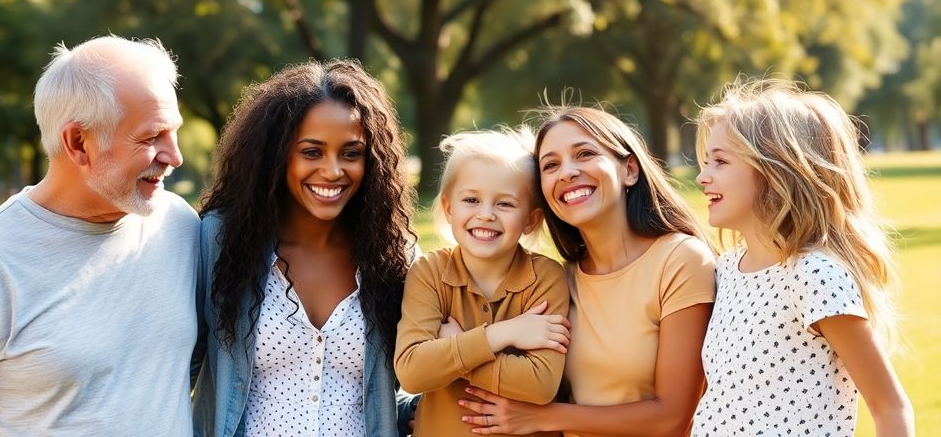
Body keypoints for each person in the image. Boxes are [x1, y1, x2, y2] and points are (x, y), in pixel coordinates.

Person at [0, 35, 199, 436]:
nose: (175, 155)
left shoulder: (179, 226)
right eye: (152, 137)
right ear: (78, 142)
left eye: (174, 132)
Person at [191, 59, 417, 436]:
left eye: (351, 153)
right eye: (311, 152)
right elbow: (176, 374)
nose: (332, 171)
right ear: (275, 157)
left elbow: (383, 395)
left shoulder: (392, 257)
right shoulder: (219, 243)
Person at [460, 105, 715, 436]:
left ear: (630, 171)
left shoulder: (680, 260)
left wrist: (542, 417)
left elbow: (672, 417)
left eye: (584, 154)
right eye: (551, 165)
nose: (567, 172)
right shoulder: (557, 280)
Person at [690, 79, 914, 436]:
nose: (702, 176)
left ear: (776, 170)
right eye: (705, 161)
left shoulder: (814, 276)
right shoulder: (725, 271)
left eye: (719, 161)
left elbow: (889, 406)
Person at [394, 128, 571, 437]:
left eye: (505, 204)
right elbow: (412, 371)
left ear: (530, 219)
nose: (486, 214)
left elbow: (541, 385)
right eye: (472, 200)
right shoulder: (429, 272)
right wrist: (500, 335)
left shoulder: (546, 277)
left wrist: (454, 348)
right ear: (449, 209)